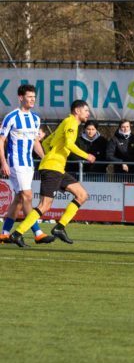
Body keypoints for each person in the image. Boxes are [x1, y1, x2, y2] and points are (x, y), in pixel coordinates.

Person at [8, 100, 96, 247]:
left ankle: (59, 227)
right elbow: (68, 144)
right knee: (44, 205)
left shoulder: (65, 123)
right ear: (77, 111)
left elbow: (46, 142)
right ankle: (17, 234)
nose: (88, 113)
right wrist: (86, 155)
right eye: (86, 110)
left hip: (57, 168)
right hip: (53, 168)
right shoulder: (72, 123)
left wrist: (50, 157)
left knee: (82, 195)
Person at [0, 85, 54, 244]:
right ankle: (37, 233)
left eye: (34, 97)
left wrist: (44, 158)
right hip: (15, 162)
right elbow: (1, 140)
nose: (32, 100)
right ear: (20, 98)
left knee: (19, 198)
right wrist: (3, 163)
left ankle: (4, 233)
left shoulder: (36, 118)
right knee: (28, 196)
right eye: (29, 97)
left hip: (29, 163)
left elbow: (35, 141)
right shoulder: (11, 117)